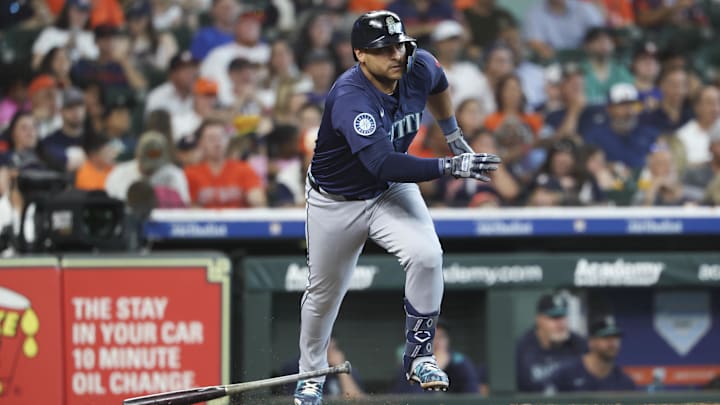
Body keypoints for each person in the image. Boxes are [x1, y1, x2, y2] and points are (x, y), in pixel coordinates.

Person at [294, 11, 501, 404]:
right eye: (383, 49)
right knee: (324, 293)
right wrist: (450, 165)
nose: (396, 54)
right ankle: (311, 375)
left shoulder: (418, 63)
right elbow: (381, 162)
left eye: (399, 45)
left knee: (427, 255)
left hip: (389, 191)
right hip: (336, 202)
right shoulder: (350, 96)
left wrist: (452, 133)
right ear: (359, 54)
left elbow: (438, 83)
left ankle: (420, 355)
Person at [516, 292, 588, 392]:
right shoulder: (523, 349)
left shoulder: (579, 345)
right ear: (539, 319)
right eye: (554, 317)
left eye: (563, 316)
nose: (561, 323)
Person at [548, 315, 636, 392]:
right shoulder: (565, 376)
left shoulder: (625, 383)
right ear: (591, 342)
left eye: (615, 337)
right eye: (606, 337)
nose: (612, 343)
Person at [391, 321, 484, 394]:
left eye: (441, 336)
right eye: (431, 337)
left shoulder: (460, 363)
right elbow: (412, 399)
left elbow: (473, 396)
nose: (437, 342)